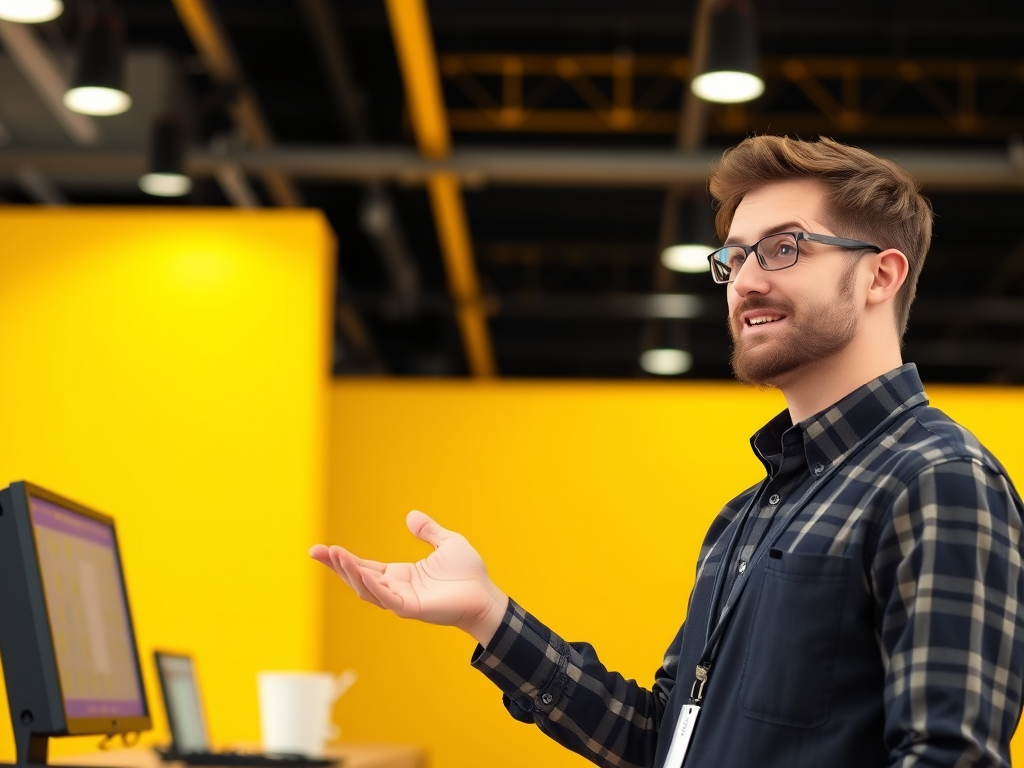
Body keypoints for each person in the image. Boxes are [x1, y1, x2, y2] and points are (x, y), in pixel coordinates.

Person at [310, 135, 1024, 768]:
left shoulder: (938, 480)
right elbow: (661, 741)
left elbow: (948, 757)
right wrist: (488, 617)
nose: (745, 279)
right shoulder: (744, 517)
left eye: (784, 248)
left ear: (881, 275)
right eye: (735, 256)